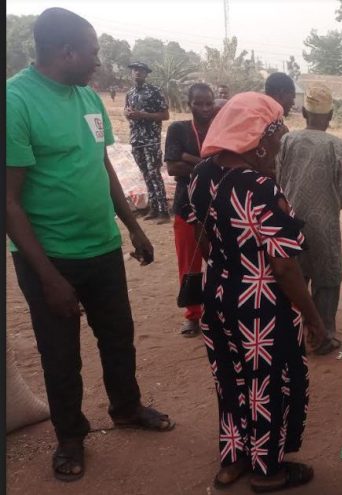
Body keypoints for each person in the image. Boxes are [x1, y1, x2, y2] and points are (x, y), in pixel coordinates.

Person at [6, 7, 174, 483]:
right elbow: (9, 202)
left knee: (117, 335)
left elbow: (100, 167)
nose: (100, 61)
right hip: (50, 257)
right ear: (67, 51)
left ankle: (126, 407)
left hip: (101, 248)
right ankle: (70, 436)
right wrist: (49, 278)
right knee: (60, 353)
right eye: (94, 52)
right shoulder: (16, 101)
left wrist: (133, 228)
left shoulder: (88, 98)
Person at [188, 92, 324, 491]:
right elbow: (284, 265)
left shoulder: (202, 173)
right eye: (278, 139)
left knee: (230, 379)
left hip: (218, 298)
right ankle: (268, 470)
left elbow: (202, 233)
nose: (280, 148)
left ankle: (232, 462)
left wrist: (230, 267)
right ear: (259, 140)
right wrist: (314, 318)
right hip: (261, 306)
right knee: (268, 382)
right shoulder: (261, 188)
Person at [276, 83, 342, 356]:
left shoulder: (287, 140)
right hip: (325, 223)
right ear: (330, 116)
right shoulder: (337, 146)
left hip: (290, 221)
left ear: (304, 112)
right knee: (327, 279)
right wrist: (328, 207)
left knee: (293, 277)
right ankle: (324, 335)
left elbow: (278, 179)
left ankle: (293, 334)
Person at [164, 83, 215, 337]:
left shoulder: (220, 129)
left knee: (220, 262)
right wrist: (207, 164)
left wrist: (189, 159)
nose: (205, 108)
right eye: (199, 103)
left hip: (217, 208)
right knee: (189, 263)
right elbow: (173, 168)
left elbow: (226, 163)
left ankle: (218, 310)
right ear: (189, 104)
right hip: (187, 206)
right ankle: (193, 315)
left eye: (209, 103)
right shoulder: (178, 129)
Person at [125, 61, 171, 223]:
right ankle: (153, 208)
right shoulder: (129, 94)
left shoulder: (155, 91)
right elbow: (128, 111)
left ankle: (163, 211)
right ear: (131, 73)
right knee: (145, 173)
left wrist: (142, 115)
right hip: (136, 139)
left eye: (141, 70)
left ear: (146, 74)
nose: (137, 73)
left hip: (151, 140)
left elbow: (165, 115)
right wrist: (128, 114)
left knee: (154, 173)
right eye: (135, 70)